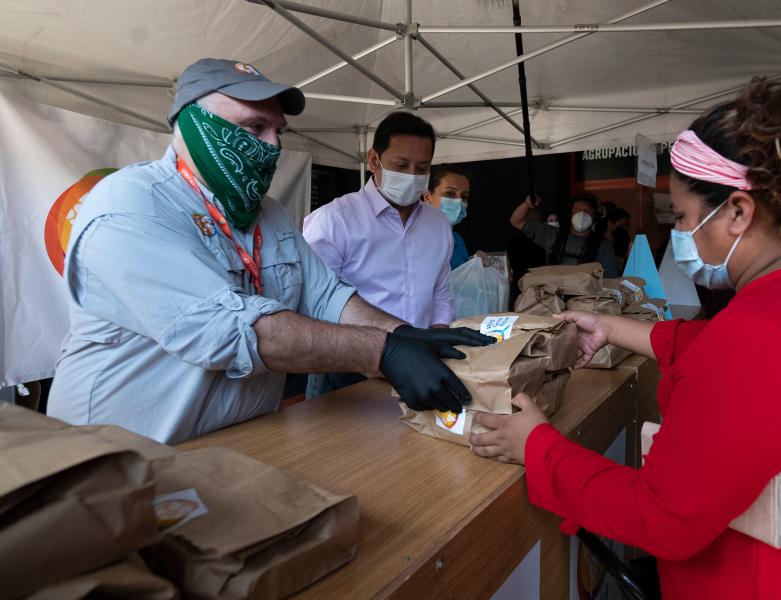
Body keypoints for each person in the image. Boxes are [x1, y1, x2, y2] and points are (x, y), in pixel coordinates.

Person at [471, 65, 781, 599]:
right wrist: (613, 327)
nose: (681, 235)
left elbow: (660, 516)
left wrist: (538, 447)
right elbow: (743, 357)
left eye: (684, 218)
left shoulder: (759, 338)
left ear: (738, 211)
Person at [47, 59, 493, 443]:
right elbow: (232, 332)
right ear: (193, 123)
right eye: (253, 127)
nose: (273, 145)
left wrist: (403, 336)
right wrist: (385, 352)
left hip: (242, 450)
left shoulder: (271, 215)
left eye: (277, 129)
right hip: (122, 464)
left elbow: (328, 297)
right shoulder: (130, 205)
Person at [302, 112, 460, 397]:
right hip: (346, 369)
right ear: (374, 159)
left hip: (419, 365)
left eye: (421, 168)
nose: (412, 176)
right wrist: (371, 357)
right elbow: (313, 301)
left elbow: (440, 291)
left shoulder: (437, 225)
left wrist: (437, 335)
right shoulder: (334, 220)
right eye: (401, 165)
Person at [509, 192, 620, 276]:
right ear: (570, 213)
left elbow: (611, 276)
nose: (582, 214)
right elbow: (516, 221)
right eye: (577, 210)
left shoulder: (603, 245)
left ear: (594, 215)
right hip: (554, 296)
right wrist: (527, 204)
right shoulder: (553, 234)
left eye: (587, 211)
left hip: (584, 300)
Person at [421, 163, 486, 270]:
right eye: (450, 193)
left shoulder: (456, 239)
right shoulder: (414, 239)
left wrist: (474, 262)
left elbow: (457, 275)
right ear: (427, 197)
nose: (459, 201)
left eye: (464, 196)